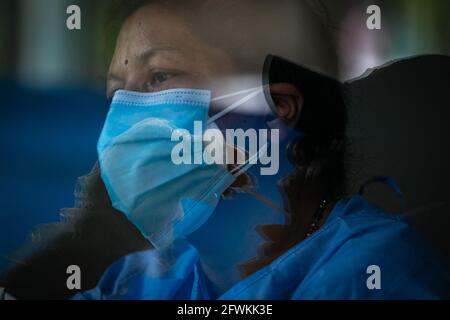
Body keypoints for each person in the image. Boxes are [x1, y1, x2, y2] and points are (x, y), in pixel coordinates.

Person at [1, 0, 449, 300]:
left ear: (278, 112)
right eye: (117, 92)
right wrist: (82, 245)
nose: (125, 122)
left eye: (159, 78)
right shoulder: (143, 277)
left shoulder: (372, 275)